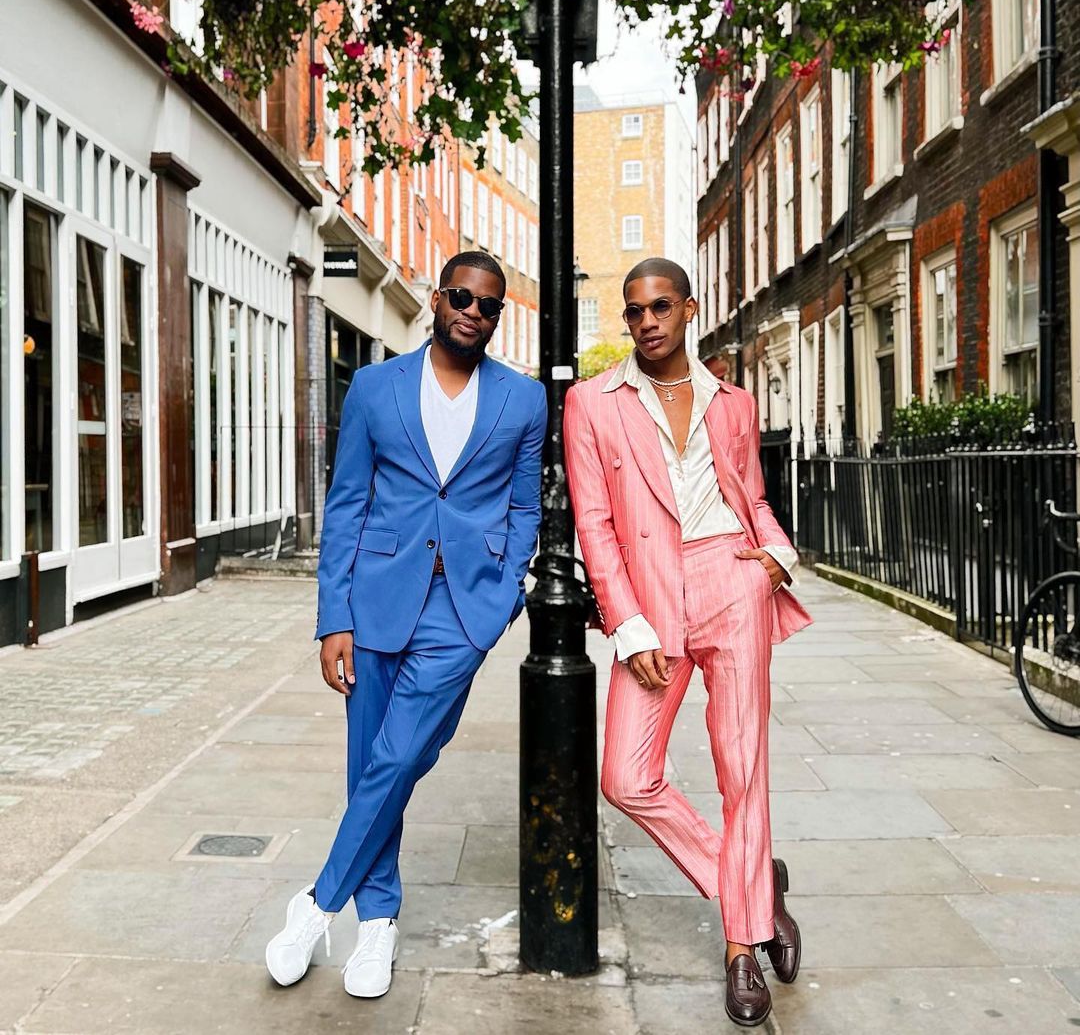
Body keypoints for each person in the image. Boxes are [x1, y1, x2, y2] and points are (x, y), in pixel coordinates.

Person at [265, 251, 546, 1000]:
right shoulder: (373, 388)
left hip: (463, 611)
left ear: (497, 316)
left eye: (489, 305)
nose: (473, 312)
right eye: (461, 296)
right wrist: (334, 618)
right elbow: (347, 504)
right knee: (372, 764)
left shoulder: (522, 400)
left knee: (398, 755)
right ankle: (379, 921)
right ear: (435, 298)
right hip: (375, 599)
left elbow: (525, 507)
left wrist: (505, 590)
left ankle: (319, 903)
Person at [563, 258, 812, 1028]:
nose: (646, 323)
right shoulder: (590, 403)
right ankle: (754, 889)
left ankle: (741, 949)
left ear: (689, 309)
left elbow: (754, 497)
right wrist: (627, 621)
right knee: (626, 778)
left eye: (660, 307)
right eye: (633, 311)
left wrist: (778, 556)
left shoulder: (730, 403)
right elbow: (594, 525)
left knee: (744, 771)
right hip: (651, 599)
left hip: (731, 582)